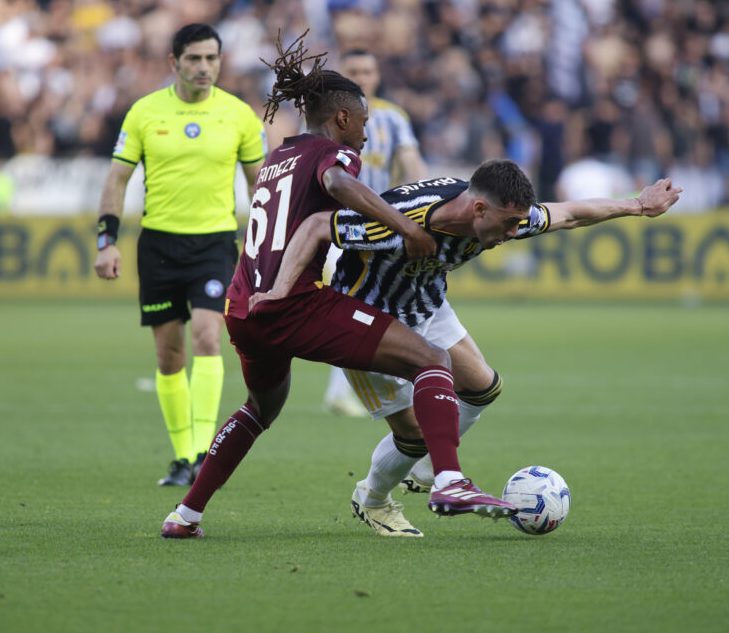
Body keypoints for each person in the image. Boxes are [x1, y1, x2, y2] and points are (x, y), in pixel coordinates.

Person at [160, 32, 519, 539]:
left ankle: (185, 515)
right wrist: (408, 227)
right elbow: (338, 184)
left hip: (245, 307)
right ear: (343, 118)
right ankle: (450, 481)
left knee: (259, 410)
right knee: (432, 361)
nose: (367, 137)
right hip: (295, 305)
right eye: (365, 124)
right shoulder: (334, 153)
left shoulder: (277, 160)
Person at [251, 161, 681, 537]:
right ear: (479, 209)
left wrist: (638, 206)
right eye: (508, 224)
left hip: (426, 304)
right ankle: (373, 498)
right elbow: (313, 228)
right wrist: (278, 291)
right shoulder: (397, 220)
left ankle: (424, 468)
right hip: (368, 318)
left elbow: (568, 214)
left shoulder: (500, 213)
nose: (514, 233)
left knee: (482, 386)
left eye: (518, 223)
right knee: (414, 434)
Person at [93, 23, 266, 486]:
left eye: (212, 58)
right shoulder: (145, 113)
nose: (204, 67)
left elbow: (260, 186)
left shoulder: (239, 116)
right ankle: (180, 456)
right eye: (194, 59)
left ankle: (203, 452)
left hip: (214, 243)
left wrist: (265, 246)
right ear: (174, 62)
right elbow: (117, 179)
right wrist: (106, 241)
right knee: (169, 354)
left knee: (209, 337)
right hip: (159, 246)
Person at [321, 49, 429, 417]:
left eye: (368, 70)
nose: (362, 77)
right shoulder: (331, 118)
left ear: (378, 75)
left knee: (373, 307)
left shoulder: (393, 119)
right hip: (338, 226)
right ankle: (344, 391)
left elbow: (413, 164)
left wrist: (423, 206)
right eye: (354, 71)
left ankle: (373, 384)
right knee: (349, 303)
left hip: (382, 229)